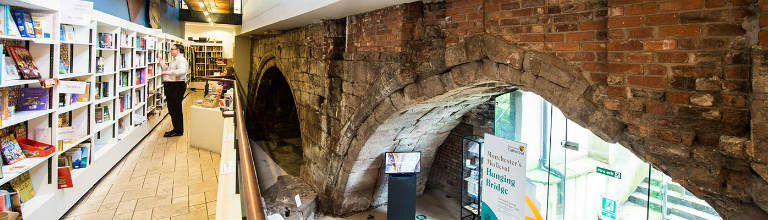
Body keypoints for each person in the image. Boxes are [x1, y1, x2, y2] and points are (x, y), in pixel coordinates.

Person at [159, 44, 188, 137]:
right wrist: (161, 62)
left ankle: (178, 131)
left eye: (172, 49)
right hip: (172, 86)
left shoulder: (181, 60)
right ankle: (176, 129)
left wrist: (167, 72)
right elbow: (168, 69)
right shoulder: (174, 60)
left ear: (178, 50)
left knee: (176, 109)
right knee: (172, 109)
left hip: (176, 86)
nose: (170, 51)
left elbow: (182, 71)